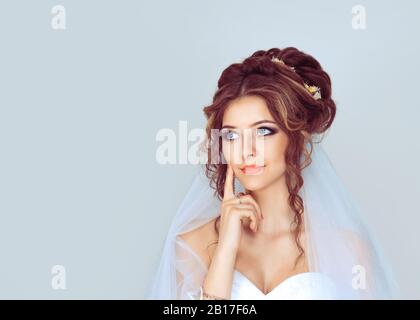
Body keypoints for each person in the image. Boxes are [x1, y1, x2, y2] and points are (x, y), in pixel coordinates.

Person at [147, 47, 400, 300]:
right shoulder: (192, 244)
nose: (246, 151)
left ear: (296, 136)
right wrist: (225, 249)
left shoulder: (348, 249)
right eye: (232, 135)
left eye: (264, 131)